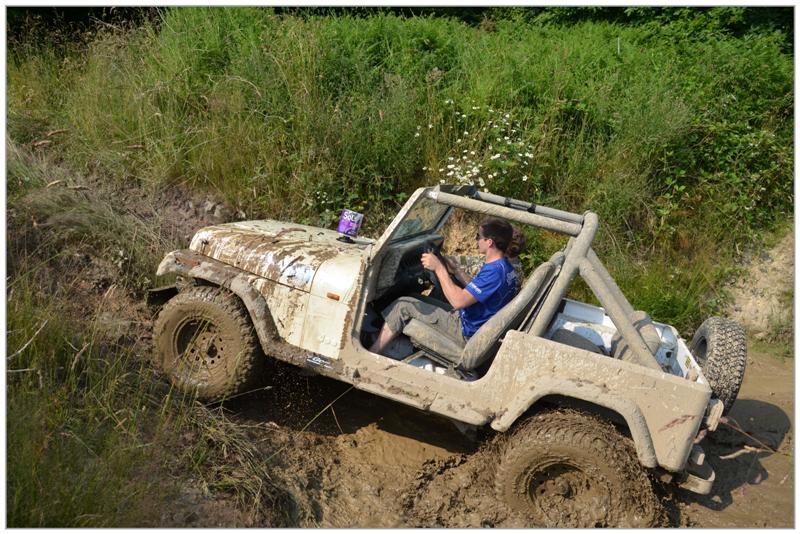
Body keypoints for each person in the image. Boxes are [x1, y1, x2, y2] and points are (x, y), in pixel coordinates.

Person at [369, 217, 519, 358]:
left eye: (478, 236)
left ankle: (369, 355)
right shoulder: (504, 268)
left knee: (402, 306)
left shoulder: (494, 272)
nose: (476, 240)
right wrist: (458, 271)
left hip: (465, 332)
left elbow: (458, 302)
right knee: (414, 299)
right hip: (473, 322)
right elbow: (477, 290)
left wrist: (439, 268)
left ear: (489, 242)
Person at [444, 225, 526, 292]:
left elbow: (477, 291)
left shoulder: (499, 271)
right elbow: (471, 261)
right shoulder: (509, 264)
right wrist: (451, 260)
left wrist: (457, 271)